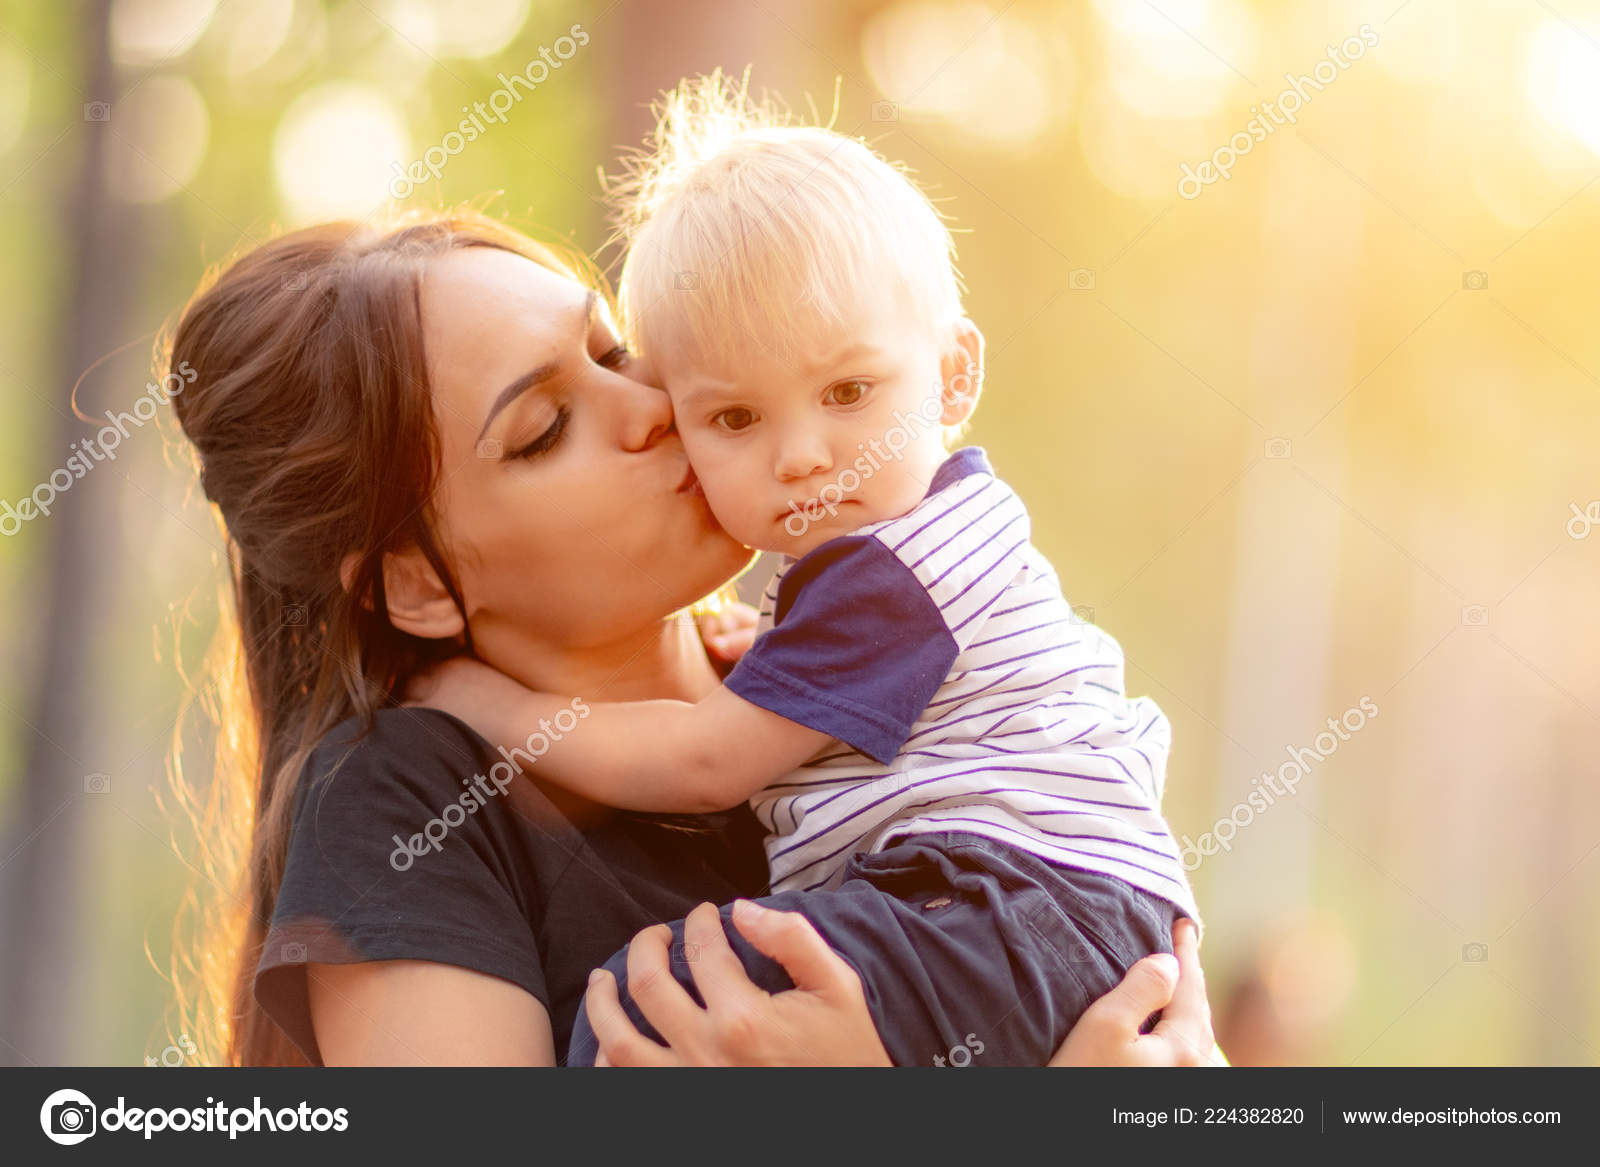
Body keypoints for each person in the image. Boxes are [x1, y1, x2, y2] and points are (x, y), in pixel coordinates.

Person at [166, 201, 1218, 1066]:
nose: (648, 408)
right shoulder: (409, 793)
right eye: (544, 428)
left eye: (613, 351)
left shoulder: (825, 683)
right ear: (416, 587)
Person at [410, 76, 1201, 1067]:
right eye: (734, 418)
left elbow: (705, 765)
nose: (800, 456)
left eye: (848, 391)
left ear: (953, 376)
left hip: (1006, 907)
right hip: (1041, 911)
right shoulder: (924, 547)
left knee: (642, 1013)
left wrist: (481, 706)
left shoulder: (892, 574)